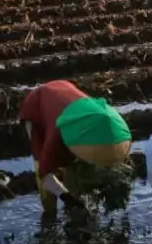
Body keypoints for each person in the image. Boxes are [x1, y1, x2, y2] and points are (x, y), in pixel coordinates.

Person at [19, 80, 132, 215]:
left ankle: (71, 192)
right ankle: (49, 211)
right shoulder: (56, 136)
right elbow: (44, 174)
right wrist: (68, 200)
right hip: (36, 105)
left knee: (72, 167)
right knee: (43, 162)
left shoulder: (106, 121)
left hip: (65, 91)